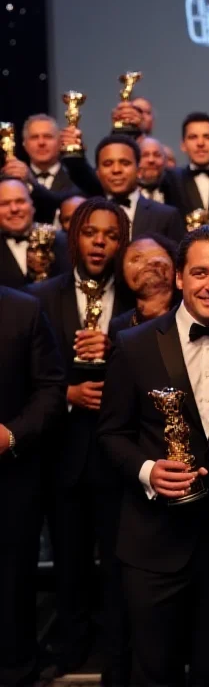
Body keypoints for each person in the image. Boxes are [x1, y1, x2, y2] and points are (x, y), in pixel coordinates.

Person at [98, 226, 209, 687]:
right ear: (179, 278)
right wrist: (148, 471)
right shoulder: (133, 344)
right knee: (152, 670)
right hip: (151, 539)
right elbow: (110, 434)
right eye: (201, 272)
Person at [30, 197, 132, 684]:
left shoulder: (136, 301)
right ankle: (70, 645)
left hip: (118, 455)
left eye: (111, 235)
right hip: (63, 449)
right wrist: (66, 393)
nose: (100, 242)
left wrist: (116, 354)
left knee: (118, 560)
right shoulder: (41, 297)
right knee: (69, 560)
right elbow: (26, 376)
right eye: (92, 232)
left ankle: (118, 652)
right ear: (74, 236)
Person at [0, 287, 66, 687]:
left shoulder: (23, 309)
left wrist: (11, 436)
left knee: (11, 589)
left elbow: (51, 390)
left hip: (9, 482)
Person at [95, 135, 184, 241]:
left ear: (138, 170)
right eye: (108, 164)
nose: (116, 170)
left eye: (125, 163)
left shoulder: (166, 216)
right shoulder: (87, 216)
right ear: (98, 173)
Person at [0, 177, 69, 289]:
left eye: (20, 201)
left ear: (32, 206)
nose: (14, 209)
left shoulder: (63, 243)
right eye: (5, 204)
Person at [110, 233, 179, 335]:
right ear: (122, 273)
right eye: (136, 259)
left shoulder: (192, 314)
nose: (149, 262)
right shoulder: (119, 326)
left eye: (157, 255)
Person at [138, 137, 168, 203]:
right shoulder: (127, 195)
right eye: (145, 155)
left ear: (165, 161)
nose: (151, 160)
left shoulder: (177, 194)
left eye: (157, 155)